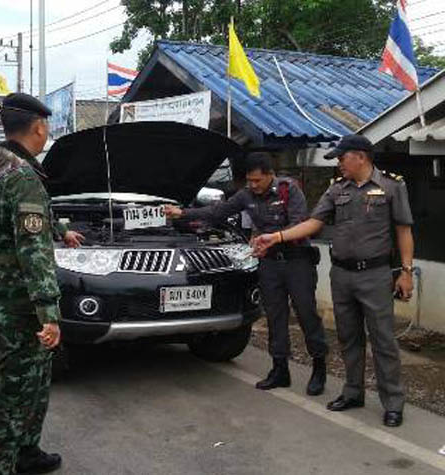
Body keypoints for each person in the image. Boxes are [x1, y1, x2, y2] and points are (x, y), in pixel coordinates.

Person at [253, 134, 414, 428]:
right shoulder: (336, 190)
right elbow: (314, 223)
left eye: (342, 158)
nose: (338, 164)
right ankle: (353, 392)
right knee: (348, 337)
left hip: (375, 275)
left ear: (361, 156)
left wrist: (405, 271)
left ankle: (392, 401)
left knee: (383, 340)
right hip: (341, 275)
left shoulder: (391, 186)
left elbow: (404, 230)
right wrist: (275, 237)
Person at [165, 153, 328, 395]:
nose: (253, 186)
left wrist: (270, 239)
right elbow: (217, 212)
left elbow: (298, 226)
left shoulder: (289, 190)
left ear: (270, 175)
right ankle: (279, 369)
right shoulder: (246, 195)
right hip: (269, 264)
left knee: (306, 314)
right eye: (249, 181)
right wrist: (182, 213)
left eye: (258, 181)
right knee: (275, 316)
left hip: (296, 263)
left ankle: (319, 369)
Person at [0, 93, 73, 475]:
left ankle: (27, 451)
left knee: (36, 378)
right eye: (46, 126)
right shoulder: (24, 177)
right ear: (39, 127)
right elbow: (31, 249)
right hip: (21, 303)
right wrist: (49, 312)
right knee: (17, 387)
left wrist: (62, 231)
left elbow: (14, 220)